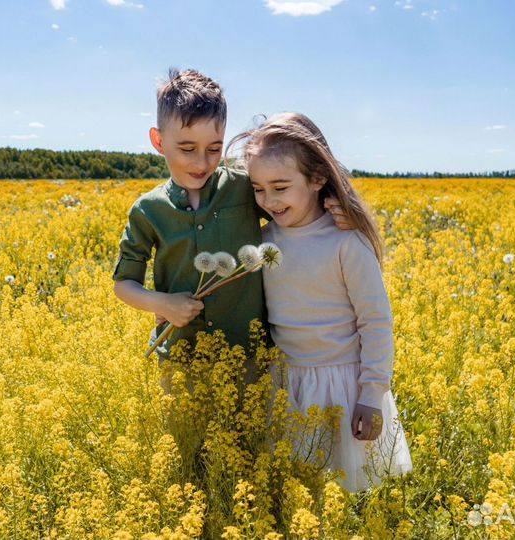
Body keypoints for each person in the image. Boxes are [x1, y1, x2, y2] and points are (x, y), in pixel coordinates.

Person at [112, 69, 352, 386]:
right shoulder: (148, 210)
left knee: (249, 435)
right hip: (182, 359)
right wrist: (162, 305)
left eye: (215, 148)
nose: (202, 162)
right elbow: (123, 284)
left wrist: (335, 211)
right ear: (158, 140)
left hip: (250, 358)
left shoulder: (243, 187)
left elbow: (292, 210)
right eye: (187, 148)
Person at [227, 112, 413, 492]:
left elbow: (375, 322)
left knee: (345, 494)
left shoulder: (346, 241)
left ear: (317, 179)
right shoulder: (262, 240)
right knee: (298, 490)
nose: (268, 200)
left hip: (342, 387)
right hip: (286, 383)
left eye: (280, 187)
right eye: (259, 189)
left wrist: (372, 394)